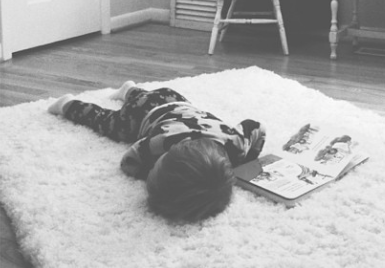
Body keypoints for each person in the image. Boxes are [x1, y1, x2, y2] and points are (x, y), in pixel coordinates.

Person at [48, 81, 265, 222]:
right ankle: (68, 104)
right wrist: (145, 172)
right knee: (109, 124)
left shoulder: (235, 144)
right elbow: (129, 160)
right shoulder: (160, 142)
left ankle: (130, 90)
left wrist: (247, 158)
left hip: (174, 98)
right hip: (141, 112)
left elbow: (256, 126)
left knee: (144, 97)